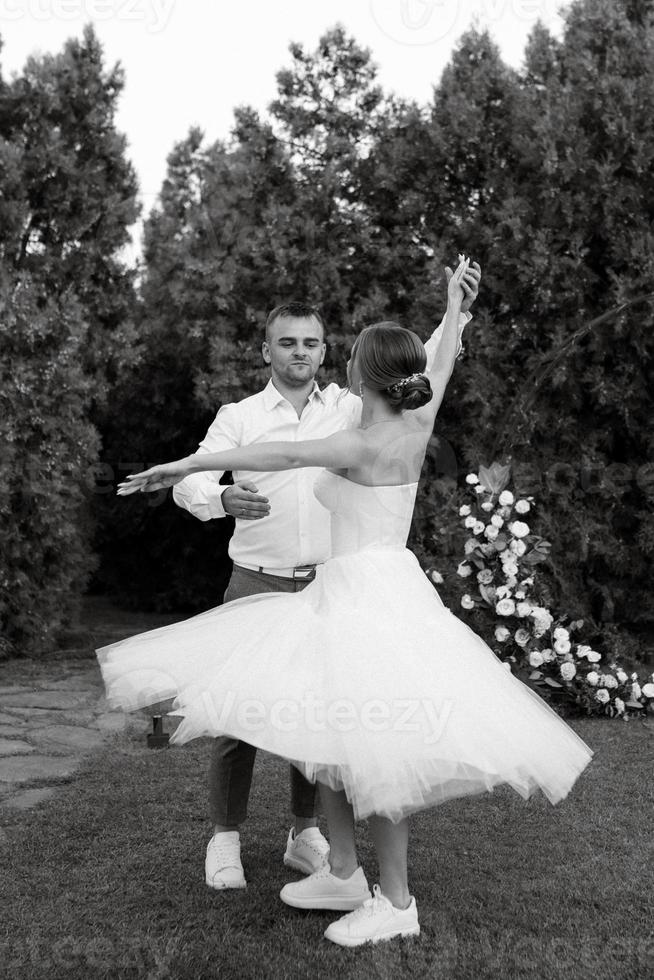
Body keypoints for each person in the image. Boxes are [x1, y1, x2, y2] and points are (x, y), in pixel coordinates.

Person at [98, 256, 593, 948]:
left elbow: (278, 457)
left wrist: (187, 466)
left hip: (365, 599)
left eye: (347, 353)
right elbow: (442, 359)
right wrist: (454, 311)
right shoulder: (415, 422)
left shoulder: (357, 440)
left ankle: (396, 902)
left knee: (372, 749)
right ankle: (342, 869)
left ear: (362, 372)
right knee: (323, 729)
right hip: (363, 588)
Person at [170, 285, 477, 891]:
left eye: (311, 342)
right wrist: (219, 494)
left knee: (318, 718)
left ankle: (307, 835)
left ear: (328, 351)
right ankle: (225, 838)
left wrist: (452, 317)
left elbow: (417, 368)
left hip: (329, 587)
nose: (300, 352)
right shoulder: (239, 417)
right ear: (267, 351)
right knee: (239, 714)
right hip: (256, 579)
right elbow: (194, 485)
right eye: (288, 343)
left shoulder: (347, 407)